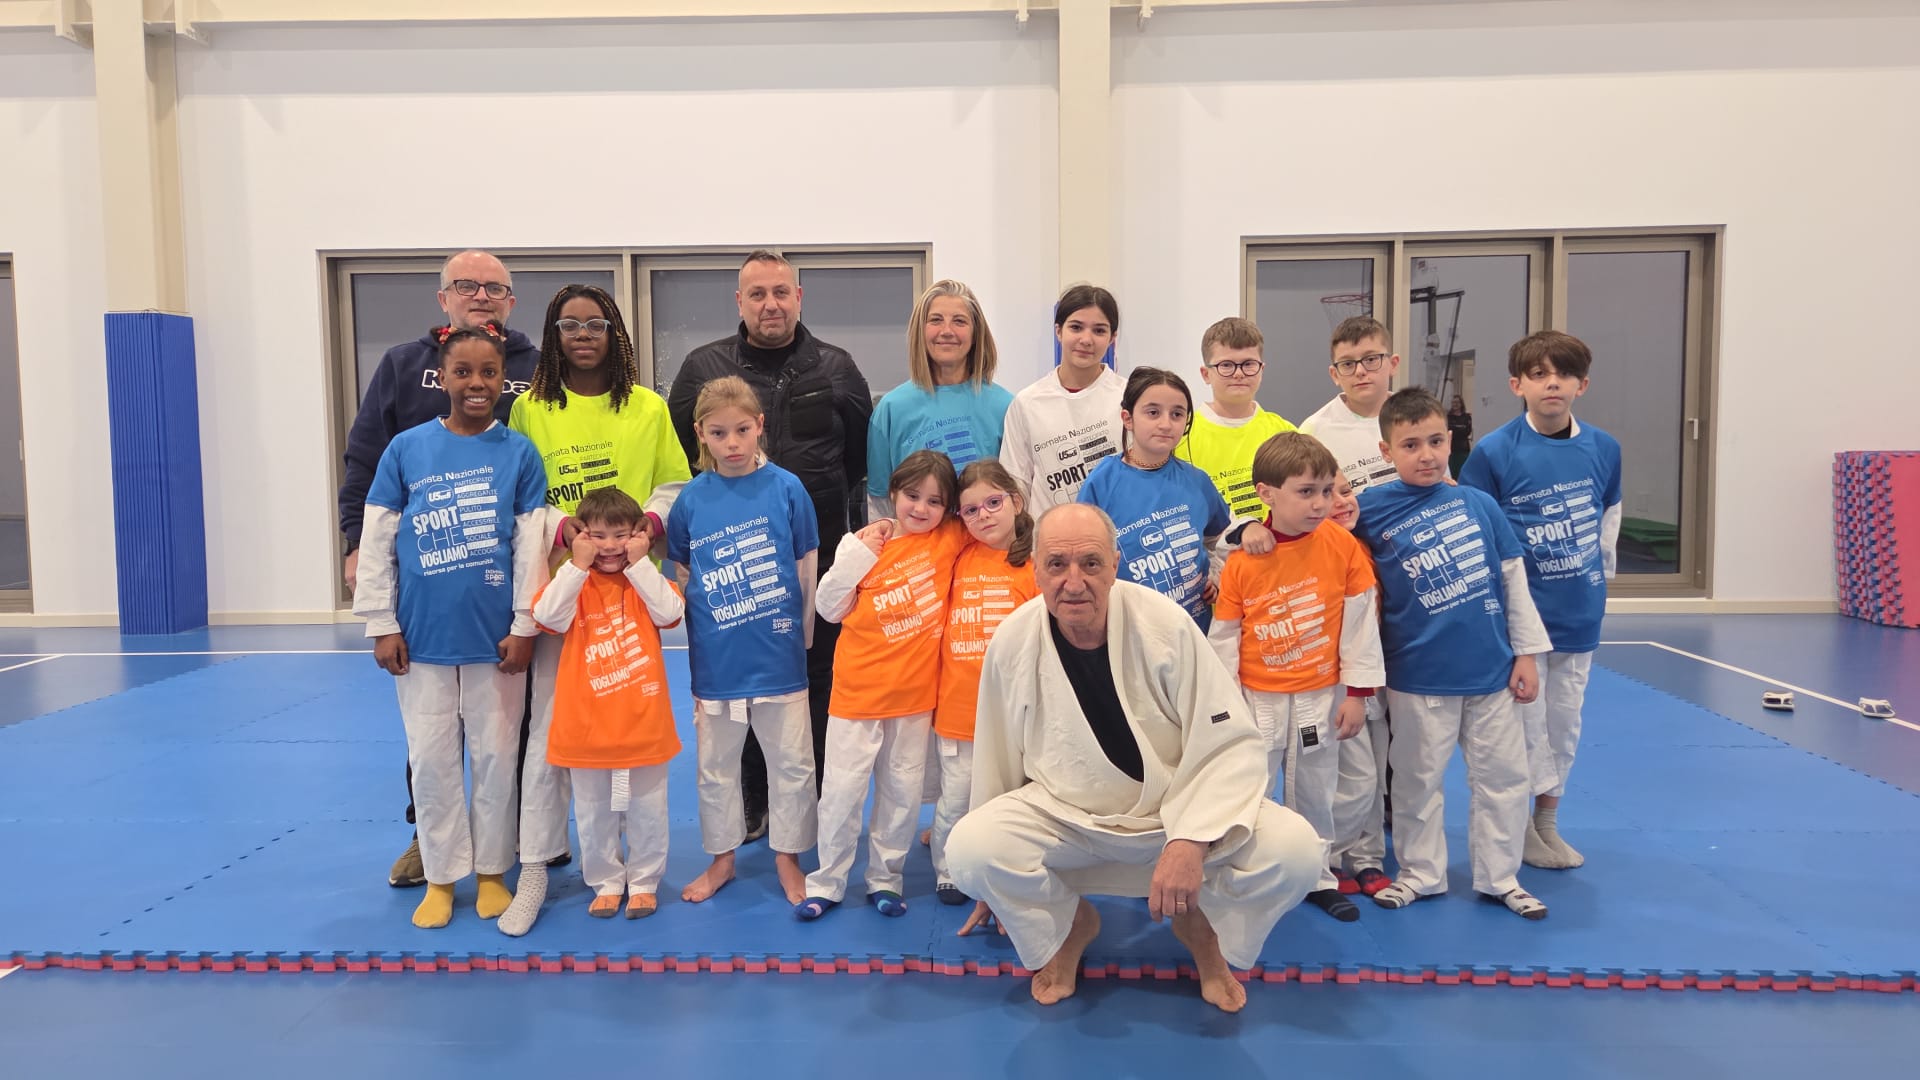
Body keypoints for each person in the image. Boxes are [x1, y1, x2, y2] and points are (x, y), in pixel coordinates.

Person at [946, 503, 1323, 1012]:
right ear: (1035, 569)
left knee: (1296, 852)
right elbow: (996, 755)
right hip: (1069, 821)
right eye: (1056, 564)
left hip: (1174, 816)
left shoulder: (1164, 624)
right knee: (969, 851)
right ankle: (1068, 926)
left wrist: (1191, 840)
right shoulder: (1013, 640)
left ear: (1115, 564)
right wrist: (995, 884)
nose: (1073, 582)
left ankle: (1204, 928)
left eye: (1091, 563)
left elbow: (1229, 744)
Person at [338, 250, 539, 890]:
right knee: (430, 754)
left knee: (500, 750)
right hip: (422, 618)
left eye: (494, 288)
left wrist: (527, 621)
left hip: (494, 619)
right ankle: (437, 858)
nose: (476, 382)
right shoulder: (405, 415)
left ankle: (499, 859)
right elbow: (373, 500)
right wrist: (378, 615)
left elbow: (529, 538)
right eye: (466, 285)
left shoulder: (524, 426)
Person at [497, 284, 692, 936]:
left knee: (633, 730)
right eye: (569, 324)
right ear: (552, 334)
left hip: (630, 590)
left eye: (596, 324)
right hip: (563, 591)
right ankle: (540, 861)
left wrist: (642, 535)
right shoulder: (530, 409)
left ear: (615, 333)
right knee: (556, 737)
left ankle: (641, 875)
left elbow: (673, 483)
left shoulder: (647, 407)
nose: (583, 334)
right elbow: (521, 493)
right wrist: (566, 534)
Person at [667, 250, 871, 842]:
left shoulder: (837, 367)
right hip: (734, 561)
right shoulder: (702, 367)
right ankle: (754, 801)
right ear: (740, 301)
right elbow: (687, 456)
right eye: (757, 294)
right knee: (743, 692)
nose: (770, 304)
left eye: (781, 292)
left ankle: (815, 803)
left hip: (817, 557)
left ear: (798, 296)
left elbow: (857, 461)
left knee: (818, 680)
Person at [1347, 388, 1553, 919]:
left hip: (1492, 672)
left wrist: (1526, 654)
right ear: (1386, 451)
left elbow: (1513, 581)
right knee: (1416, 782)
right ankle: (1421, 873)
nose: (1427, 455)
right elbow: (1311, 530)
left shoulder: (1479, 504)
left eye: (1436, 441)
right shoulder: (1368, 510)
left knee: (1504, 779)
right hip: (1417, 674)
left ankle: (1501, 877)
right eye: (1411, 445)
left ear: (1452, 440)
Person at [1459, 331, 1622, 870]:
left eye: (1564, 374)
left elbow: (1607, 526)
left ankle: (1548, 820)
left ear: (1582, 385)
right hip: (1521, 619)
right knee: (1522, 728)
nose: (1552, 384)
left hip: (1578, 614)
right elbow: (1478, 532)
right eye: (1539, 374)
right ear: (1517, 385)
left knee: (1564, 724)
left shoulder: (1604, 449)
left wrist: (1597, 590)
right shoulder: (1494, 452)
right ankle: (1519, 828)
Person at [1207, 432, 1384, 923]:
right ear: (1267, 494)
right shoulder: (1243, 560)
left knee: (1316, 789)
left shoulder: (1341, 546)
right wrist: (1226, 705)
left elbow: (1360, 624)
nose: (1321, 503)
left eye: (1326, 490)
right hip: (1256, 695)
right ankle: (1246, 872)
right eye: (1306, 492)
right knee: (1250, 788)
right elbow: (1224, 638)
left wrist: (1357, 693)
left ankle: (1318, 875)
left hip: (1319, 691)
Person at [666, 376, 821, 906]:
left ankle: (788, 857)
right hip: (718, 661)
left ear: (760, 427)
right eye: (718, 433)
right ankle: (722, 859)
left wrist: (799, 639)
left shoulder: (787, 489)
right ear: (700, 434)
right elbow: (684, 575)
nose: (731, 443)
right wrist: (703, 638)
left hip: (778, 656)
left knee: (793, 763)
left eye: (741, 430)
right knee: (715, 767)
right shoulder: (690, 500)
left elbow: (805, 569)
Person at [798, 451, 969, 920]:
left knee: (901, 795)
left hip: (913, 699)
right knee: (841, 793)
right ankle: (828, 881)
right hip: (856, 694)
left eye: (935, 501)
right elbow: (829, 608)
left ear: (948, 508)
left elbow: (993, 514)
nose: (921, 508)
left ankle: (885, 878)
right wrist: (858, 554)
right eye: (912, 495)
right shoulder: (863, 545)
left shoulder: (949, 538)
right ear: (893, 494)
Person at [529, 487, 684, 920]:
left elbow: (670, 613)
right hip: (586, 725)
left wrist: (641, 563)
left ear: (638, 535)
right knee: (593, 812)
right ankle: (606, 881)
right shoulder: (574, 582)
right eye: (597, 536)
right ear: (581, 537)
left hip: (643, 723)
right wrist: (576, 565)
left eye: (621, 536)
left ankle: (645, 881)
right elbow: (548, 617)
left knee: (648, 810)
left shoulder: (645, 579)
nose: (610, 546)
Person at [1300, 315, 1403, 899]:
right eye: (1348, 363)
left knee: (1382, 741)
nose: (1361, 371)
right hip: (1332, 597)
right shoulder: (1317, 429)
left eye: (1371, 359)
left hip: (1397, 593)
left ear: (1392, 362)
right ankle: (1328, 854)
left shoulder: (1410, 416)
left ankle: (1369, 848)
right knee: (1339, 751)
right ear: (1333, 370)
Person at [928, 460, 1039, 906]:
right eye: (971, 510)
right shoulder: (959, 556)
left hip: (1015, 710)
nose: (984, 516)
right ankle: (948, 869)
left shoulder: (1034, 563)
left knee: (1012, 797)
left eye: (993, 503)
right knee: (956, 798)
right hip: (959, 708)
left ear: (1016, 502)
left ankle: (1009, 864)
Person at [1076, 367, 1233, 630]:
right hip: (1129, 630)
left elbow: (1222, 539)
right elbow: (1081, 555)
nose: (1166, 424)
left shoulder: (1198, 481)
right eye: (1153, 412)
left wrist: (1217, 575)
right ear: (1127, 418)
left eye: (1177, 414)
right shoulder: (1102, 482)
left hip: (1194, 630)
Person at [866, 280, 1015, 523]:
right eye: (935, 320)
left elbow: (1015, 496)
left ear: (976, 333)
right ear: (920, 331)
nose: (947, 331)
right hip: (917, 546)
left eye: (959, 321)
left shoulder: (1006, 407)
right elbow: (881, 505)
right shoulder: (891, 409)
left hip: (985, 544)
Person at [1000, 285, 1125, 516]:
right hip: (1047, 534)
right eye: (1076, 327)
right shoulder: (1027, 403)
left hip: (1114, 532)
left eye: (1099, 330)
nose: (1086, 339)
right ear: (1058, 331)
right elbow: (1016, 484)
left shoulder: (1128, 397)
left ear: (1112, 338)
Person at [1177, 317, 1297, 521]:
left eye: (1248, 364)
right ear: (1206, 374)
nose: (1239, 374)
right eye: (1226, 365)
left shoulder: (1285, 433)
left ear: (1262, 370)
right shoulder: (1181, 434)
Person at [1447, 394, 1474, 478]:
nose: (1455, 404)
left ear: (1461, 404)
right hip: (1451, 449)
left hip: (1463, 449)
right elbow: (1448, 430)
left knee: (1463, 471)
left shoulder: (1467, 417)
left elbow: (1467, 431)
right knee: (1452, 472)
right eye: (1453, 402)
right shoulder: (1448, 417)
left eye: (1457, 402)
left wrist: (1455, 428)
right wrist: (1460, 428)